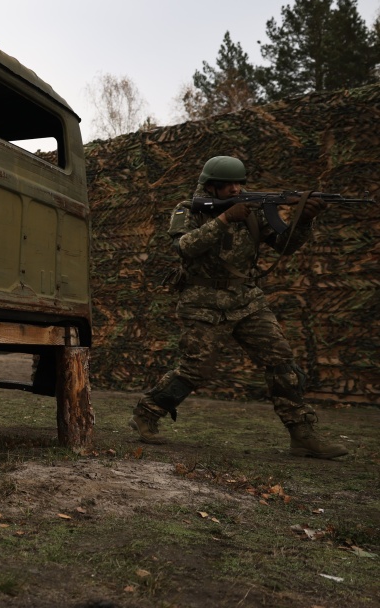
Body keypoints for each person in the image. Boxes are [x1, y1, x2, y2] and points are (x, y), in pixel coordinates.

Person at [130, 156, 348, 459]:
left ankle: (302, 433)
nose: (235, 188)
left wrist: (305, 219)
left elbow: (284, 246)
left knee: (282, 361)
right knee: (196, 368)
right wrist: (224, 220)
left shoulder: (253, 212)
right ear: (210, 186)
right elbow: (184, 247)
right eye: (228, 184)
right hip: (202, 302)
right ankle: (147, 413)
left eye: (239, 183)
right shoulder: (188, 209)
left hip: (247, 300)